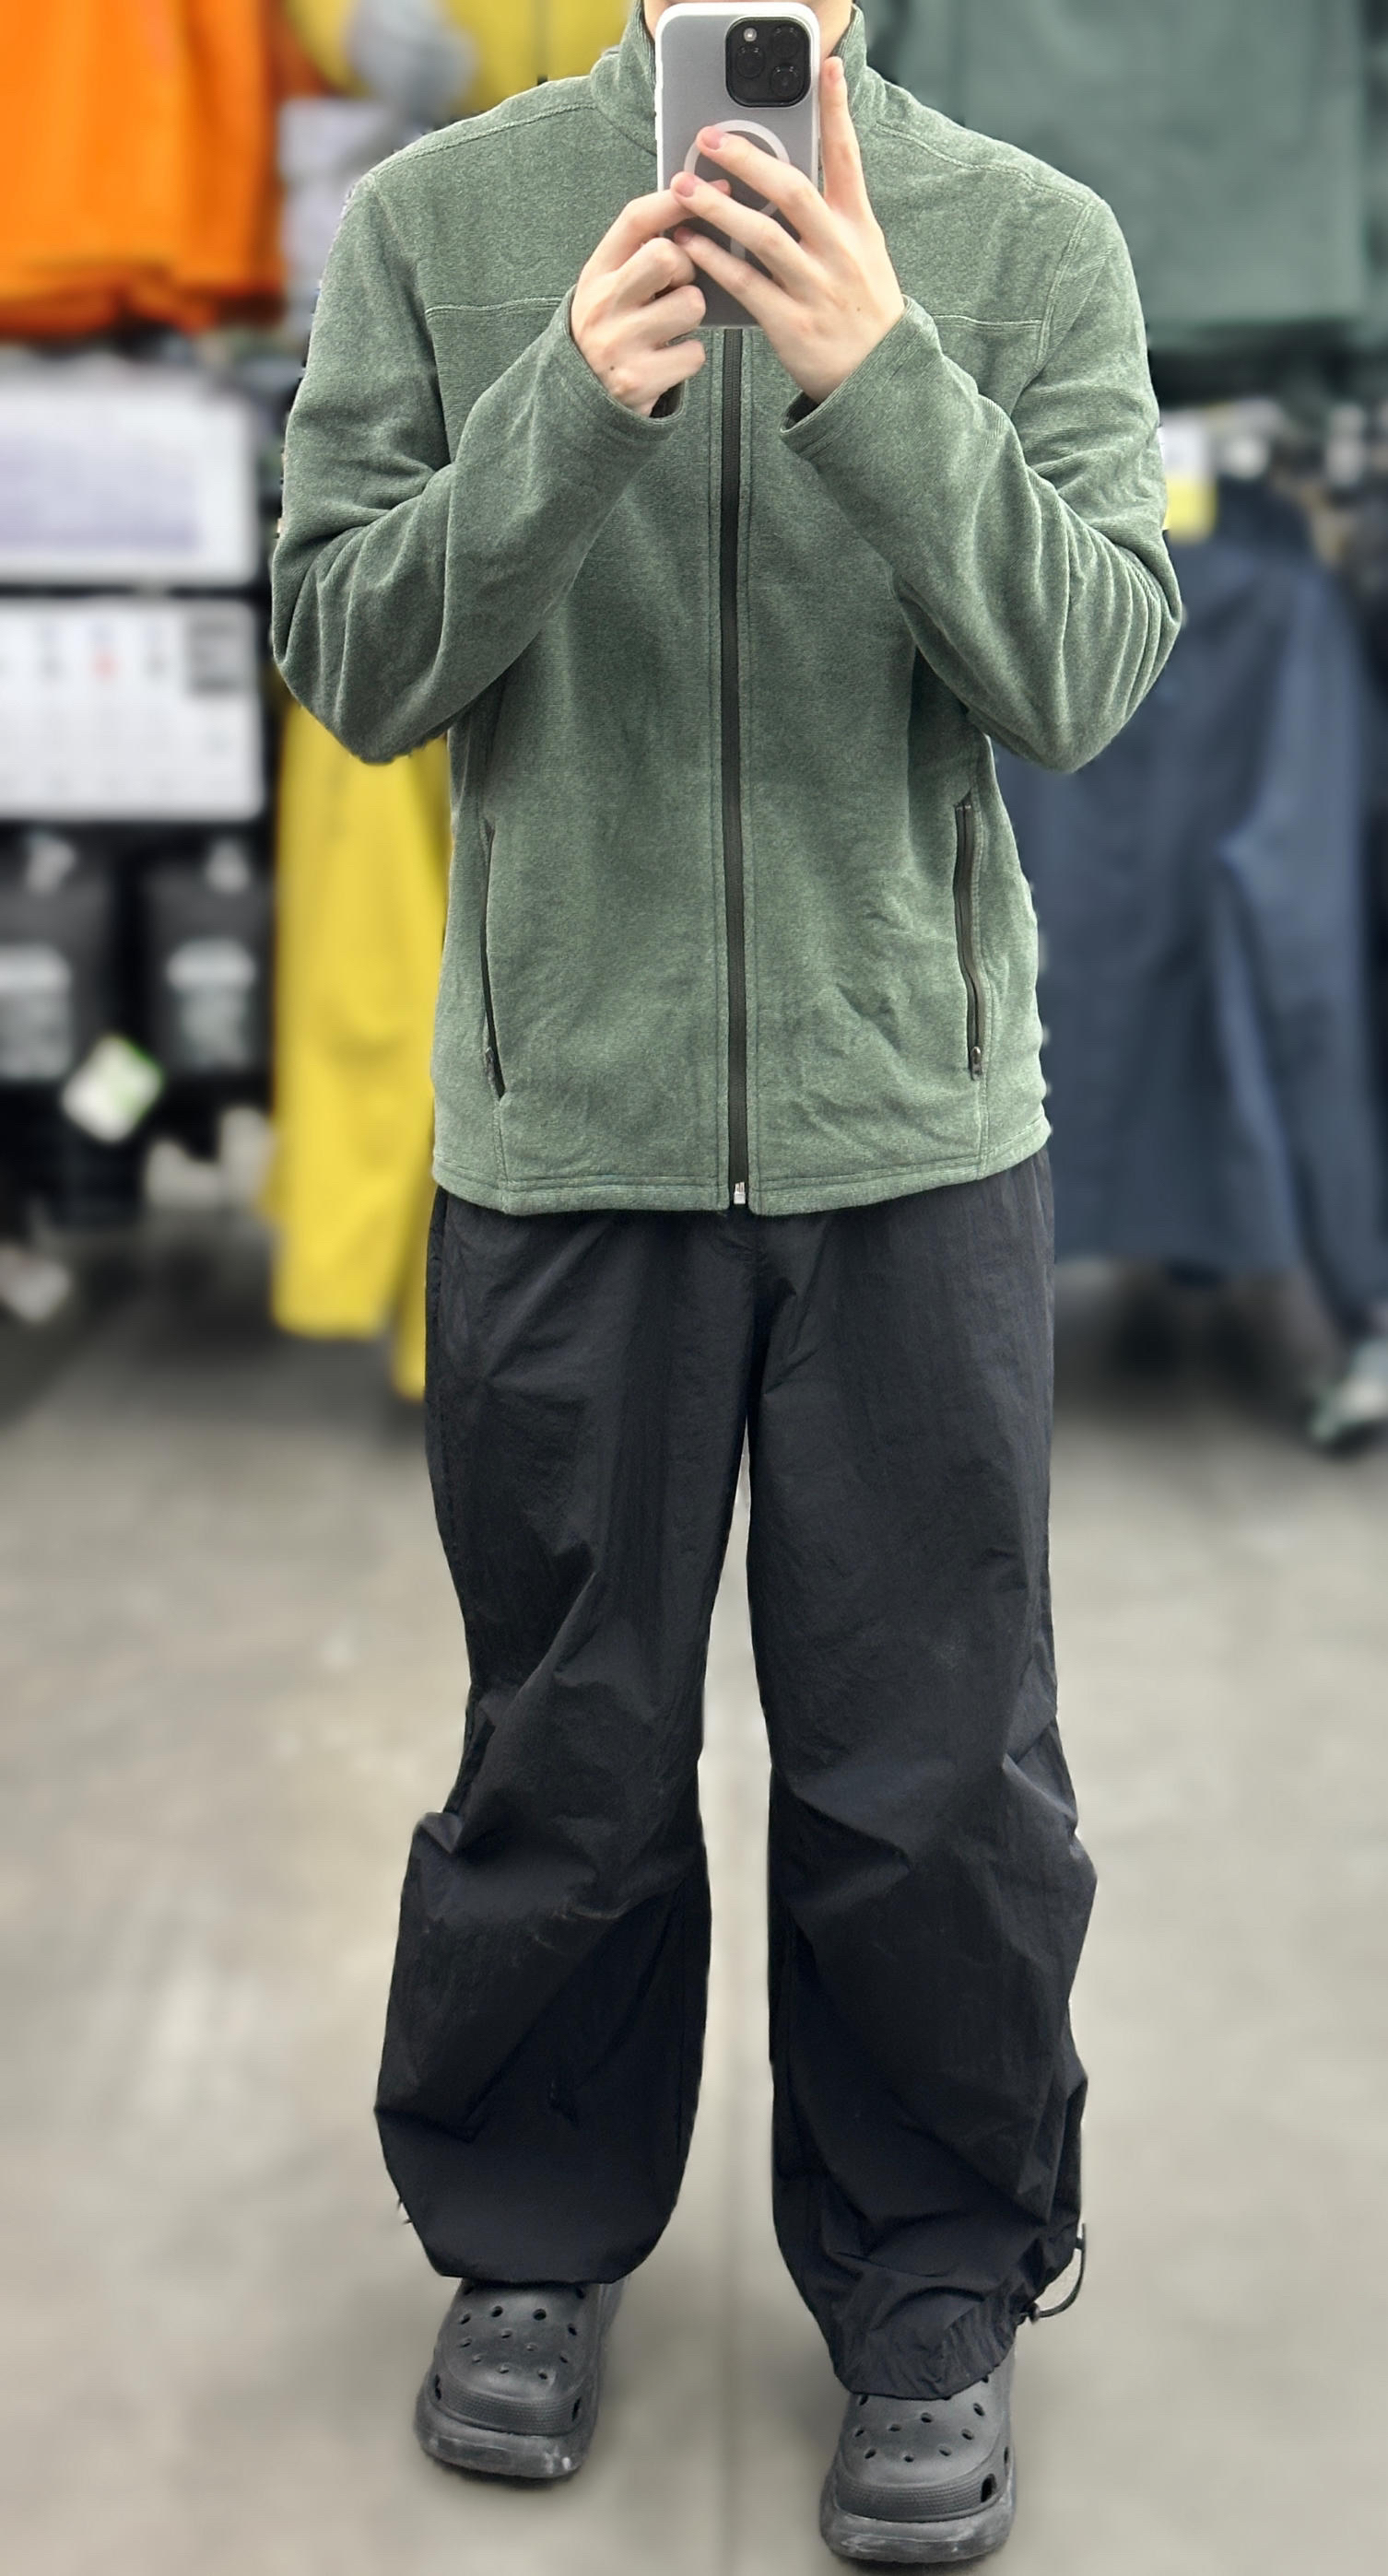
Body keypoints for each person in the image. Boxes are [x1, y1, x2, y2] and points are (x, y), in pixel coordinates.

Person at [271, 2, 1181, 2558]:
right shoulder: (439, 228)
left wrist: (882, 373)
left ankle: (932, 2277)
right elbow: (348, 657)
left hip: (914, 1141)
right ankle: (529, 2228)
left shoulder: (1027, 242)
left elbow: (1088, 672)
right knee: (563, 1737)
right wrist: (563, 405)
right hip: (567, 1135)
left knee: (934, 1761)